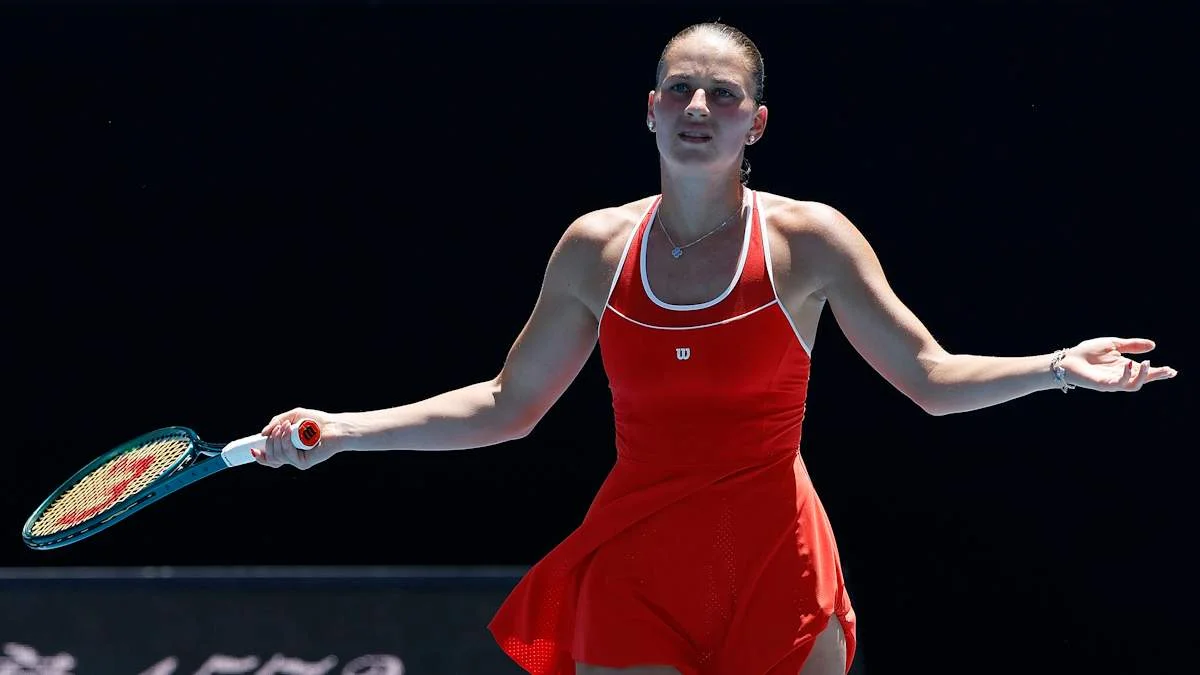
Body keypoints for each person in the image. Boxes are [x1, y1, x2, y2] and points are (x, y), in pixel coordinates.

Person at [249, 21, 1177, 675]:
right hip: (638, 565)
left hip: (778, 562)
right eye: (681, 90)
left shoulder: (810, 240)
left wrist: (1057, 367)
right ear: (651, 111)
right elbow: (506, 404)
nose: (700, 105)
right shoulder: (594, 248)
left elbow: (930, 378)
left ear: (754, 122)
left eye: (723, 94)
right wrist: (346, 429)